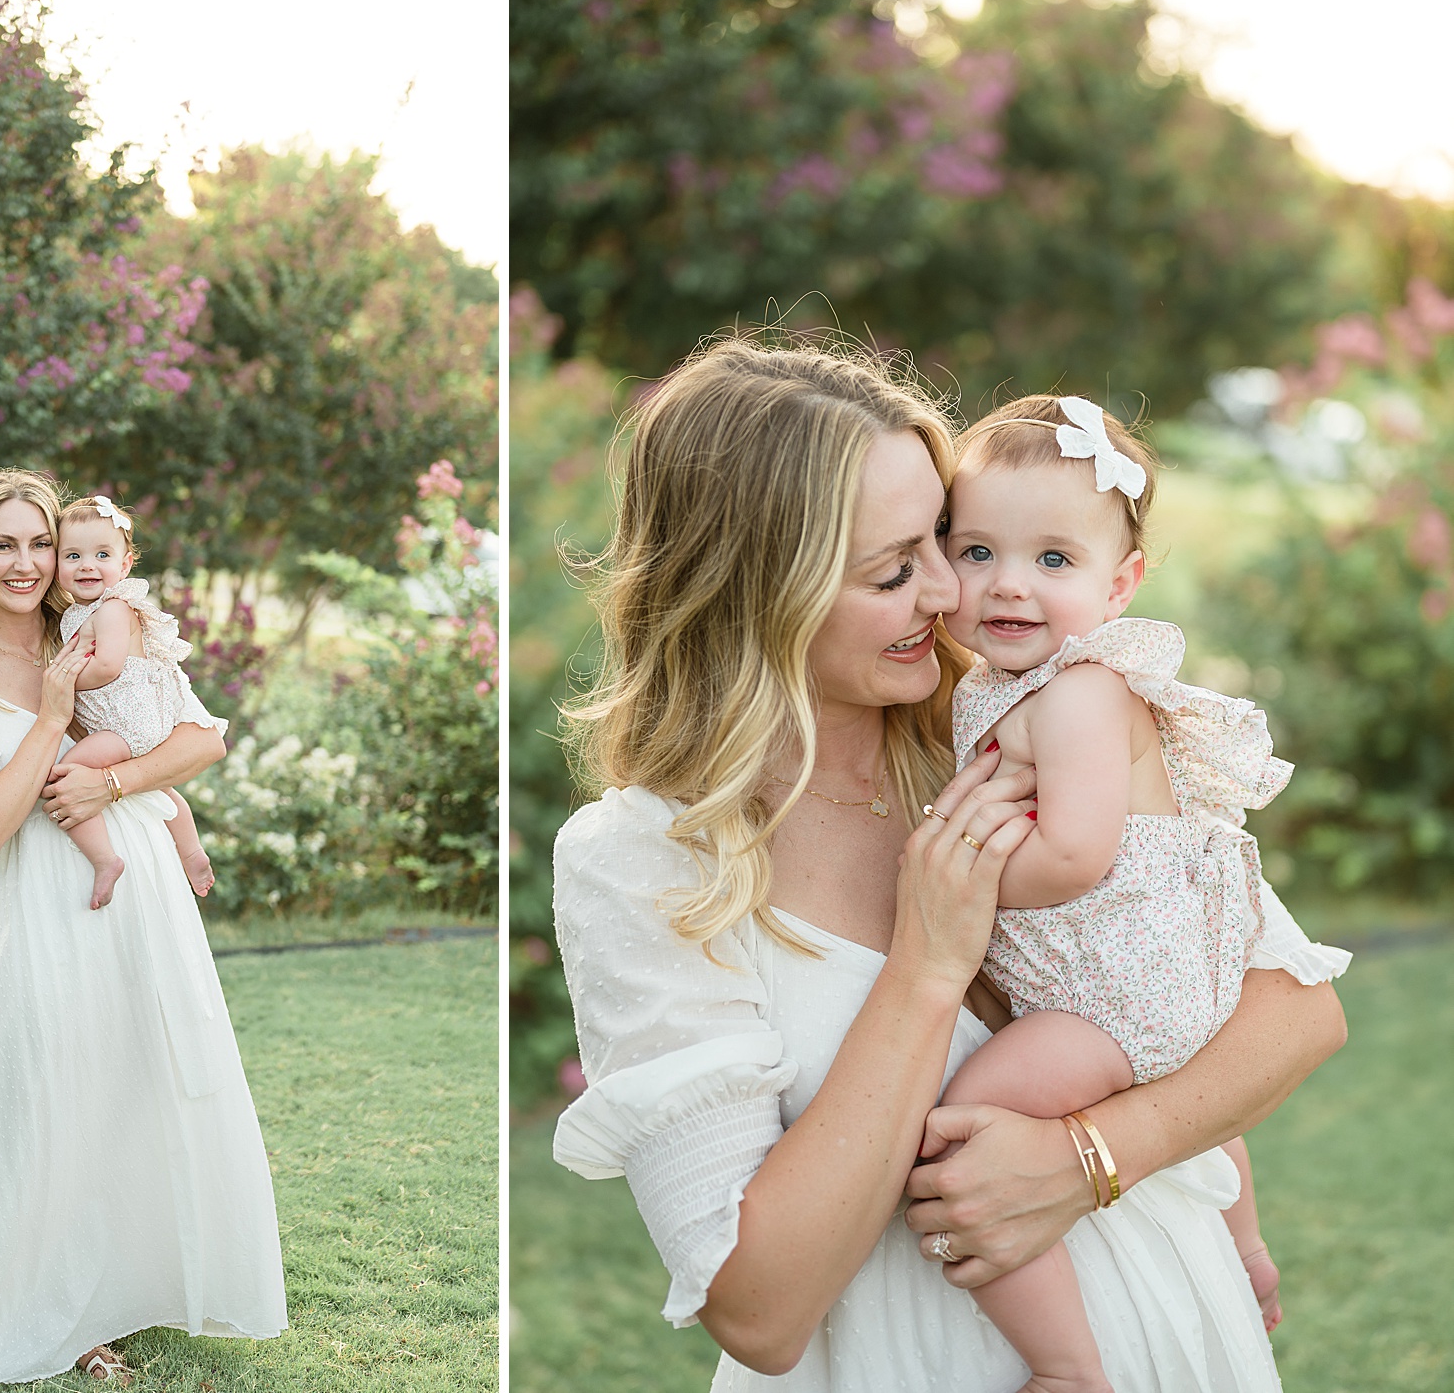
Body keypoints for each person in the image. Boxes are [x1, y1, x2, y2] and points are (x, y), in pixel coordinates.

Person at [550, 339, 1348, 1392]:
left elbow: (1297, 1010)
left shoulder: (1005, 718)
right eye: (894, 567)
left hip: (1168, 1327)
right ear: (754, 594)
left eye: (941, 537)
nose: (947, 591)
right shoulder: (647, 857)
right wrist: (926, 969)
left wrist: (1088, 1157)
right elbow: (759, 1308)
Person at [928, 393, 1350, 1391]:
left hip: (1114, 994)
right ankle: (1241, 1243)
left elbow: (1073, 855)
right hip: (1154, 984)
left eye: (1052, 561)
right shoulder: (1005, 683)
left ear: (1120, 587)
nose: (1008, 586)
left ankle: (1068, 1367)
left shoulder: (1077, 691)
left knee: (963, 1130)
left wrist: (950, 882)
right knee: (1182, 1086)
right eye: (977, 551)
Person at [0, 470, 286, 1393]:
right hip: (44, 910)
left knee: (131, 1092)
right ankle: (20, 1307)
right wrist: (52, 720)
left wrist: (111, 783)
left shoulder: (96, 629)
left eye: (39, 543)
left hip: (141, 892)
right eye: (3, 543)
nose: (25, 562)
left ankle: (98, 1303)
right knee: (29, 1107)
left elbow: (201, 737)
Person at [54, 492, 219, 909]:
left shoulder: (111, 608)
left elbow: (107, 666)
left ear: (124, 565)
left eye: (102, 555)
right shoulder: (81, 610)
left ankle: (105, 859)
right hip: (135, 721)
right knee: (153, 787)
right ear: (57, 564)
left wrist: (59, 682)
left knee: (64, 776)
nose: (87, 565)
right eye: (72, 555)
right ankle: (191, 850)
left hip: (126, 723)